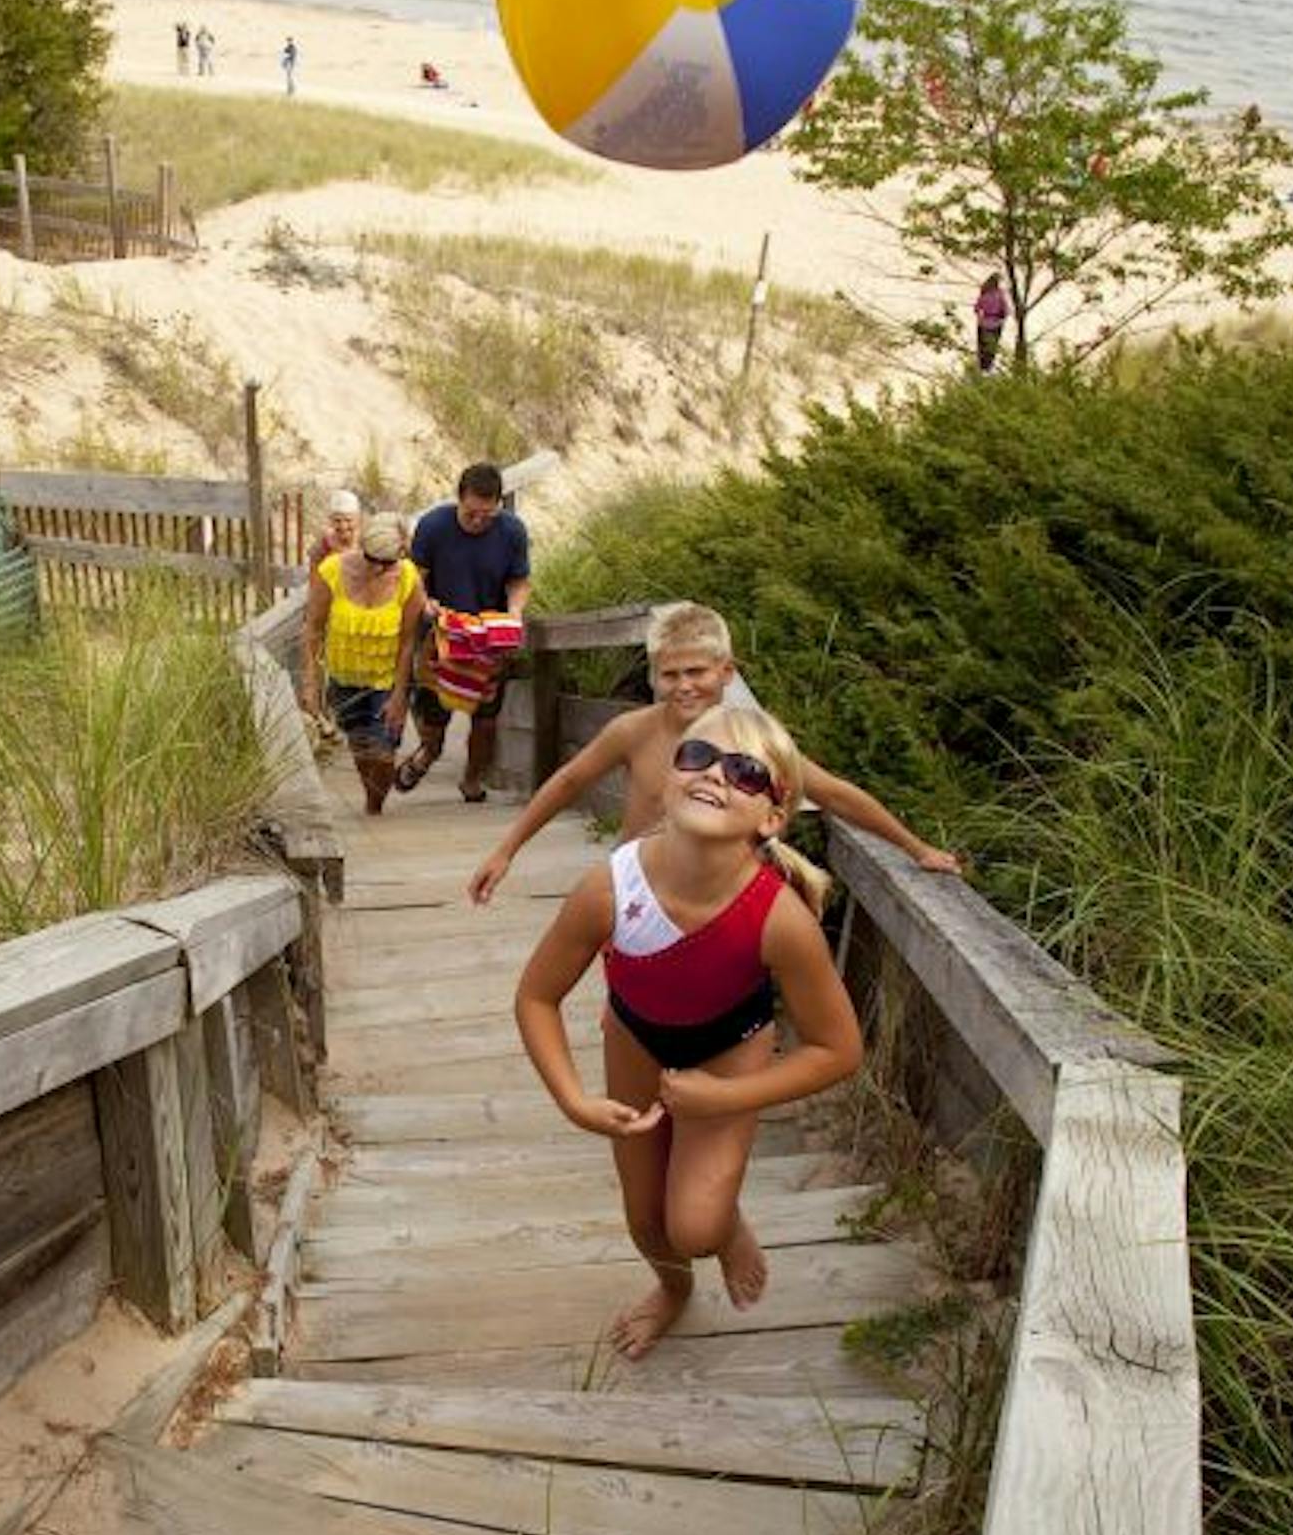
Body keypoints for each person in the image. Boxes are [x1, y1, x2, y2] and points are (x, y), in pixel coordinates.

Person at [514, 704, 863, 1361]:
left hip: (730, 1047)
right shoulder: (609, 887)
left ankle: (723, 1221)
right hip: (636, 1037)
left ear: (773, 817)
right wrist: (574, 1101)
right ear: (667, 777)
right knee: (646, 1217)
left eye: (746, 771)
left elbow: (839, 1049)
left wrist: (726, 1096)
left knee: (696, 1226)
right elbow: (536, 996)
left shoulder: (781, 921)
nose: (715, 774)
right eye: (697, 756)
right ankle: (672, 1290)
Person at [469, 602, 964, 903]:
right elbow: (568, 781)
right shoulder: (633, 731)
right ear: (654, 675)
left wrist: (916, 848)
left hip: (718, 897)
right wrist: (506, 850)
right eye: (670, 674)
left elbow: (834, 793)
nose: (684, 686)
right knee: (630, 1015)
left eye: (697, 672)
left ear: (726, 672)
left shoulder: (755, 741)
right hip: (638, 891)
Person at [396, 460, 533, 802]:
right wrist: (425, 603)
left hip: (489, 637)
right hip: (442, 633)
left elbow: (519, 581)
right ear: (459, 498)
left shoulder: (512, 531)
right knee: (434, 716)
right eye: (472, 513)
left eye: (487, 515)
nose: (478, 521)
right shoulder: (433, 526)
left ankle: (472, 779)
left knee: (486, 720)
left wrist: (515, 612)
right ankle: (428, 753)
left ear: (498, 505)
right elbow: (414, 578)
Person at [300, 510, 423, 815]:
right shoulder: (332, 570)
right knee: (361, 747)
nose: (379, 568)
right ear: (363, 548)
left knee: (383, 752)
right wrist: (311, 682)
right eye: (373, 559)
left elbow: (408, 642)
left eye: (388, 562)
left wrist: (399, 695)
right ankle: (372, 800)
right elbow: (313, 628)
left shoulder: (408, 578)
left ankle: (375, 804)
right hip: (344, 677)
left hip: (387, 679)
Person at [306, 485, 364, 576]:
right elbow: (314, 574)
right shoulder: (323, 544)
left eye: (348, 520)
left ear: (358, 520)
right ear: (331, 521)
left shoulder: (366, 542)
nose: (343, 526)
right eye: (337, 521)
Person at [972, 271, 1011, 370]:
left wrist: (980, 318)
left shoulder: (984, 292)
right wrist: (1002, 319)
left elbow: (976, 308)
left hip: (983, 323)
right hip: (996, 323)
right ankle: (988, 368)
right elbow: (1005, 310)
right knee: (992, 349)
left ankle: (982, 368)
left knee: (982, 348)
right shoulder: (999, 293)